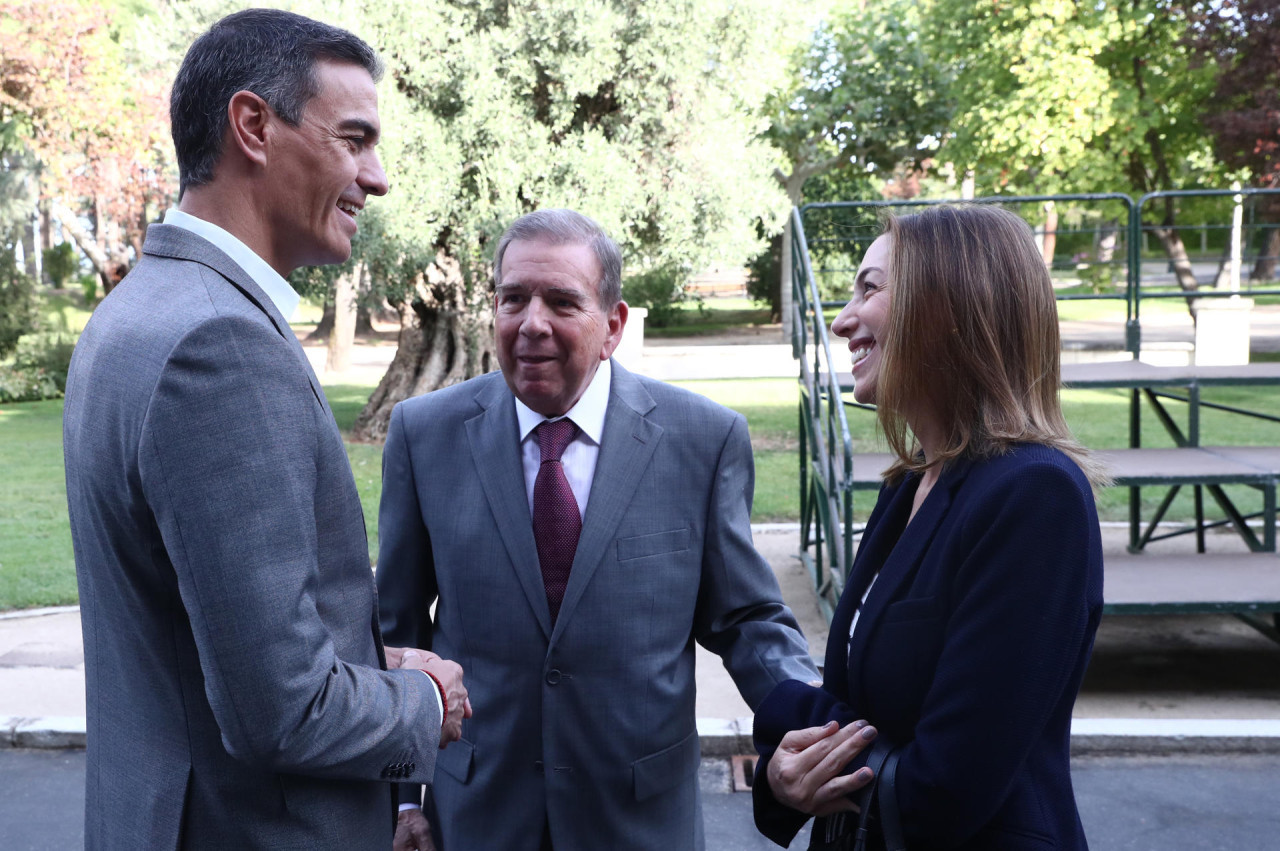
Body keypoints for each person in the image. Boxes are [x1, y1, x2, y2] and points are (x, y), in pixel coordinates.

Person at [62, 10, 468, 850]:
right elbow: (281, 711)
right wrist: (423, 702)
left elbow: (197, 640)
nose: (377, 176)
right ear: (254, 126)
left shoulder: (135, 312)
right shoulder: (223, 346)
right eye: (354, 138)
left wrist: (368, 664)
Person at [376, 208, 819, 850]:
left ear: (612, 325)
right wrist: (400, 797)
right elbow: (397, 627)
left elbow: (744, 619)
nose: (532, 323)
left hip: (639, 819)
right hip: (474, 816)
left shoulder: (703, 438)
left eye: (561, 302)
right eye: (513, 299)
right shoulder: (425, 435)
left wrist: (810, 719)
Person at [752, 205, 1107, 850]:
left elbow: (947, 785)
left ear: (949, 307)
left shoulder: (1034, 496)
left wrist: (785, 715)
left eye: (871, 288)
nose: (841, 320)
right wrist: (786, 776)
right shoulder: (909, 485)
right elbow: (855, 709)